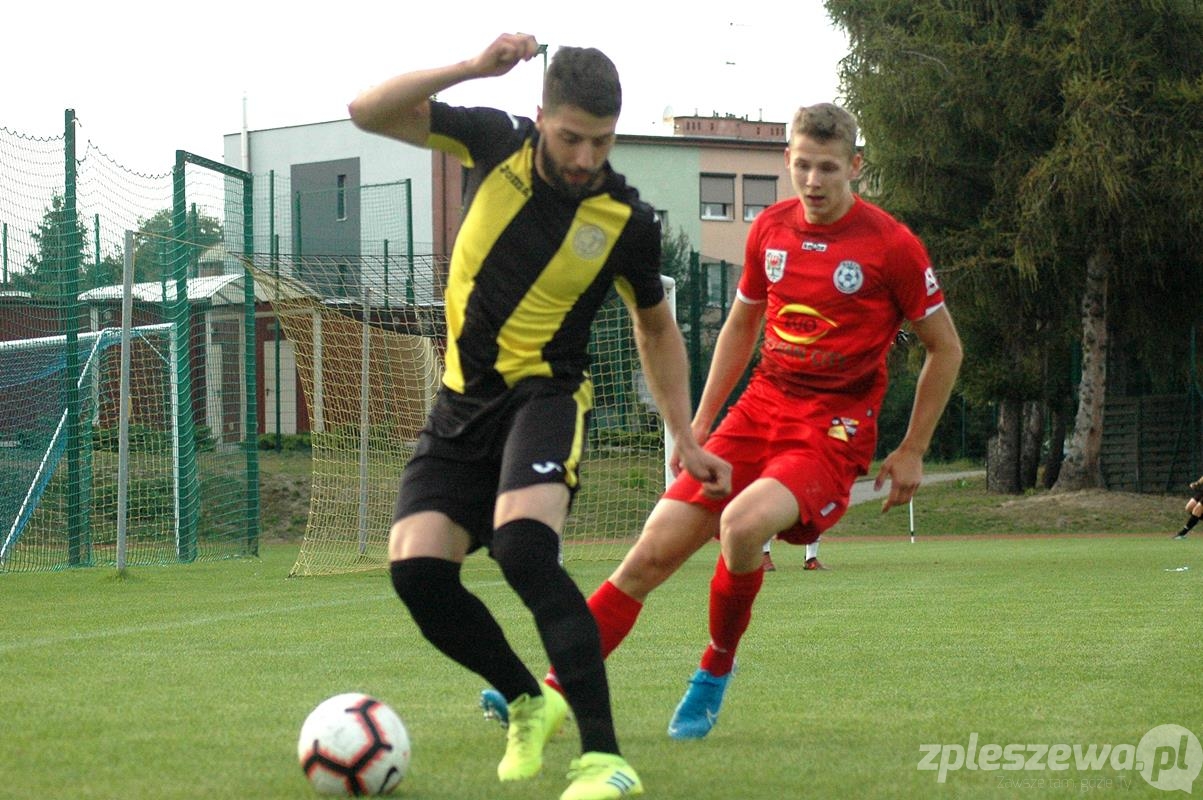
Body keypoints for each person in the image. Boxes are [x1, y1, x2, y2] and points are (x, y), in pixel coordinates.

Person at [484, 101, 962, 739]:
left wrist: (913, 449)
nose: (813, 181)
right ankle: (549, 693)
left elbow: (945, 348)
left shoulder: (891, 246)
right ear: (787, 160)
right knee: (648, 556)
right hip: (759, 408)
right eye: (802, 166)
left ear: (855, 167)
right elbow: (741, 326)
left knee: (741, 525)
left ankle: (715, 667)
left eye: (827, 168)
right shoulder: (770, 229)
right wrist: (702, 423)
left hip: (832, 429)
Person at [348, 33, 730, 800]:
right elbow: (366, 111)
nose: (586, 157)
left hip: (546, 399)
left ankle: (605, 761)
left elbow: (655, 329)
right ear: (541, 117)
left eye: (601, 141)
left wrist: (683, 434)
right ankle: (527, 703)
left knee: (524, 550)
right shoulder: (494, 141)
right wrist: (470, 67)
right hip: (461, 402)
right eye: (570, 137)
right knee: (417, 574)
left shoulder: (625, 219)